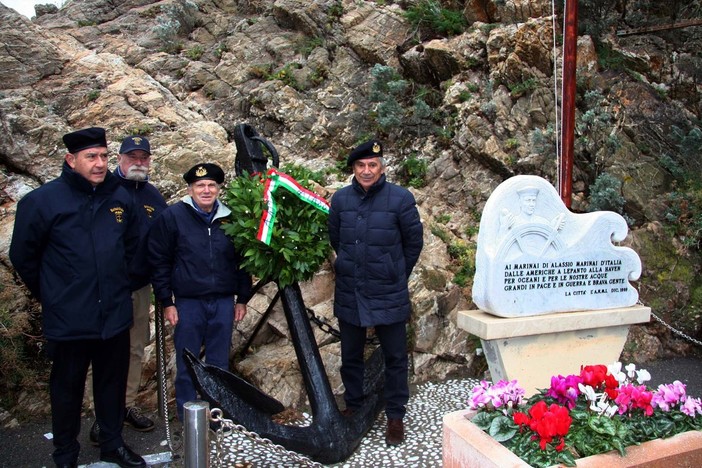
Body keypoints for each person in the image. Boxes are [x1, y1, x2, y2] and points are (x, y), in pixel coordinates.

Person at [9, 127, 147, 468]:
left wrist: (119, 285)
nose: (99, 164)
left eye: (103, 156)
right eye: (91, 157)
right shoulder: (42, 202)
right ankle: (65, 454)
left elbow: (133, 248)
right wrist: (53, 294)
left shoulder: (119, 197)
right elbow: (23, 256)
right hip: (69, 316)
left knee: (111, 385)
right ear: (72, 160)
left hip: (114, 313)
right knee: (67, 389)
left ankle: (112, 445)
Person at [327, 139, 424, 446]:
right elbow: (336, 239)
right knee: (351, 356)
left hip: (388, 291)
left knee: (395, 357)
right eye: (361, 165)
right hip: (351, 290)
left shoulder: (401, 198)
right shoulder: (341, 200)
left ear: (382, 167)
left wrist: (395, 273)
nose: (366, 171)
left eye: (372, 165)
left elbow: (413, 243)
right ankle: (354, 406)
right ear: (353, 169)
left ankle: (395, 415)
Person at [148, 163, 253, 421]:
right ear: (190, 188)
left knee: (219, 364)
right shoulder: (173, 217)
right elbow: (159, 260)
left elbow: (241, 261)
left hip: (223, 301)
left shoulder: (231, 218)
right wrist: (166, 301)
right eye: (200, 185)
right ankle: (187, 417)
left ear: (218, 188)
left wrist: (243, 298)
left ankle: (217, 414)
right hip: (188, 302)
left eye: (211, 185)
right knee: (187, 363)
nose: (206, 190)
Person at [88, 135, 167, 444]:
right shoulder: (104, 191)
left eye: (143, 157)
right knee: (104, 350)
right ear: (118, 159)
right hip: (106, 288)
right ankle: (100, 413)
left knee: (135, 348)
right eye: (132, 156)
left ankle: (126, 406)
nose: (138, 162)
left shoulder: (153, 195)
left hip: (139, 286)